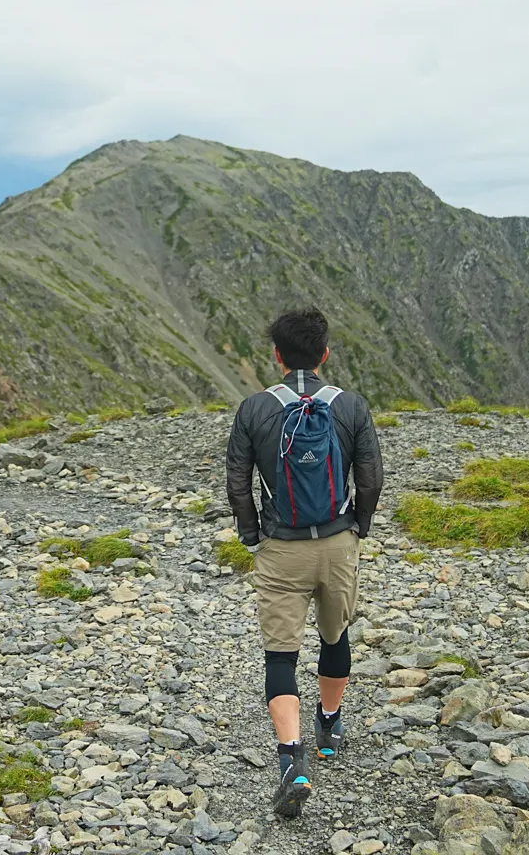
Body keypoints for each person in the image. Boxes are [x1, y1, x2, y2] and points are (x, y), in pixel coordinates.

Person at [225, 306, 384, 819]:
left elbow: (237, 483)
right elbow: (372, 478)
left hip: (281, 548)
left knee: (280, 655)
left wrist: (252, 534)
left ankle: (291, 761)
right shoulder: (352, 406)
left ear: (275, 355)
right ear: (325, 354)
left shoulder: (254, 409)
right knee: (335, 637)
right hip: (337, 544)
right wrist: (358, 525)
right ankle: (330, 725)